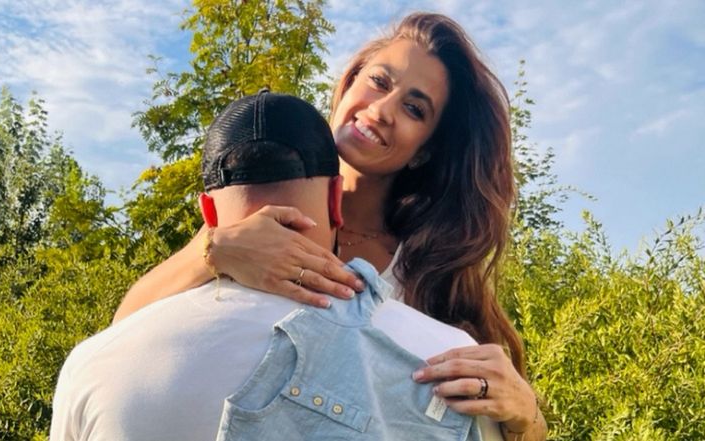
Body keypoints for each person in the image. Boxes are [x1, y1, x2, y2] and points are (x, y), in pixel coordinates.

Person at [114, 13, 547, 440]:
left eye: (414, 109)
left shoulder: (425, 268)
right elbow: (123, 334)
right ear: (349, 84)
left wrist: (526, 415)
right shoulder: (254, 203)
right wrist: (213, 251)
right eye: (379, 82)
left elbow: (479, 420)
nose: (381, 110)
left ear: (424, 151)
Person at [50, 91, 503, 440]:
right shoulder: (452, 361)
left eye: (414, 107)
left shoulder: (93, 364)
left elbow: (124, 325)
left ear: (207, 212)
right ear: (335, 199)